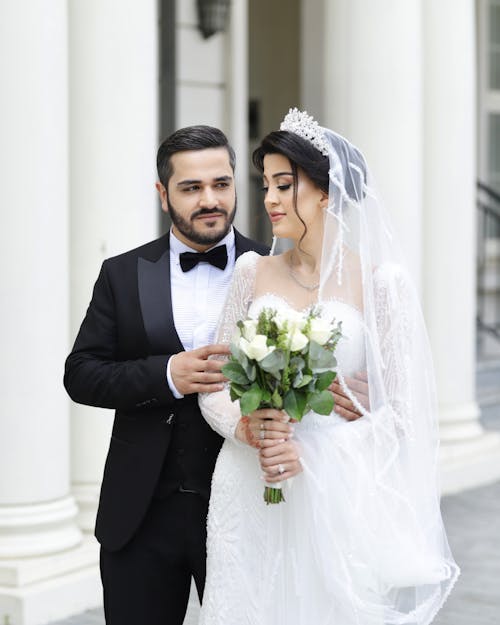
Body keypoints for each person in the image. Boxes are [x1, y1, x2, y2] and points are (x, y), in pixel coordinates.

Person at [198, 109, 460, 625]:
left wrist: (358, 418)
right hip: (246, 482)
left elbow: (404, 419)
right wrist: (249, 427)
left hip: (331, 499)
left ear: (325, 191)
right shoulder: (252, 273)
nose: (269, 199)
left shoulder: (382, 285)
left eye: (283, 184)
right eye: (266, 185)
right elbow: (215, 384)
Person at [63, 125, 270, 625]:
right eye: (191, 187)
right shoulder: (122, 273)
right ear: (163, 194)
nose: (210, 199)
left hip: (247, 510)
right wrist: (168, 374)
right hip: (140, 516)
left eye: (221, 184)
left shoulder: (273, 269)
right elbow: (82, 375)